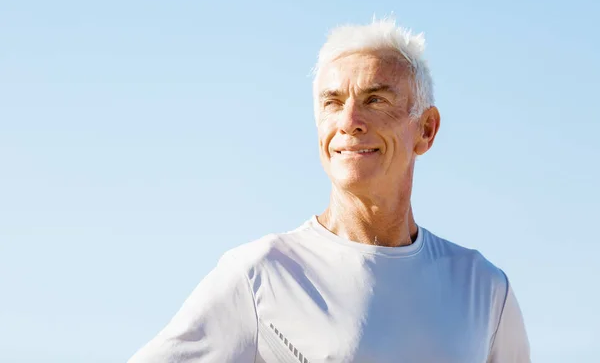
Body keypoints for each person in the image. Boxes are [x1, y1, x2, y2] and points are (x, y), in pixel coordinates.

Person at [128, 19, 530, 363]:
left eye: (376, 99)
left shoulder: (485, 288)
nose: (350, 121)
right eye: (333, 103)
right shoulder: (260, 275)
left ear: (426, 130)